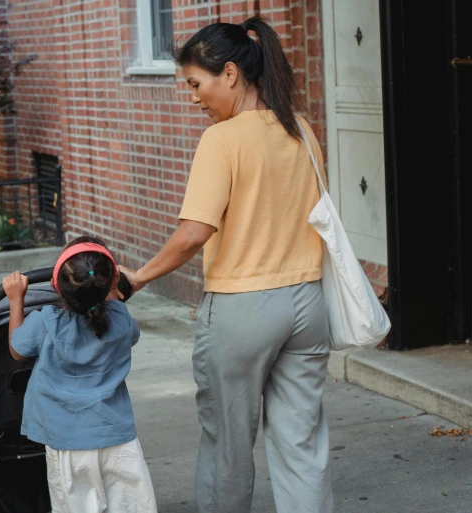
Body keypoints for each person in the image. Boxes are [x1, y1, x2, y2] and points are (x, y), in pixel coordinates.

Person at [119, 17, 333, 513]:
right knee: (301, 442)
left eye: (196, 84)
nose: (193, 98)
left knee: (227, 447)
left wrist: (137, 278)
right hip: (307, 302)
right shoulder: (300, 129)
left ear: (230, 74)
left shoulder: (222, 140)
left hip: (243, 309)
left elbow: (195, 232)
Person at [2, 236, 158, 513]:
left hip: (68, 443)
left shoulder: (46, 322)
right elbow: (120, 325)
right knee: (131, 506)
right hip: (118, 437)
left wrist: (17, 299)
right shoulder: (122, 318)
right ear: (112, 282)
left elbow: (17, 350)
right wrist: (110, 287)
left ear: (55, 285)